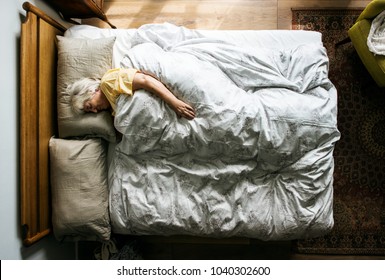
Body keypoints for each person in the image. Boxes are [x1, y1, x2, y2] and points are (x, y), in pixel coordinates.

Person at [68, 68, 195, 120]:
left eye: (90, 106)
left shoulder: (108, 83)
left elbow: (145, 80)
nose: (95, 111)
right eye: (90, 112)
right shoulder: (112, 108)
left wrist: (175, 103)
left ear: (91, 91)